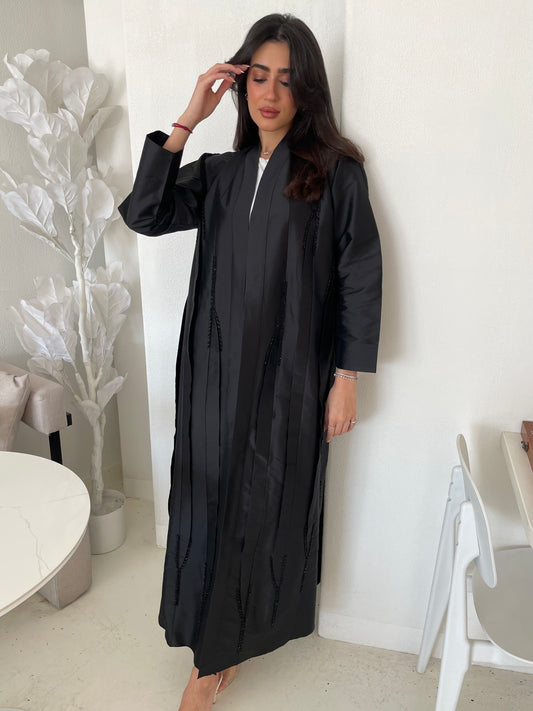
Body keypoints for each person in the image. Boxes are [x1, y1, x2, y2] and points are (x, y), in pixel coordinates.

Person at [119, 13, 382, 711]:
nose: (269, 92)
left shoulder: (335, 175)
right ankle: (214, 648)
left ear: (307, 89)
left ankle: (215, 659)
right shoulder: (221, 173)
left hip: (288, 377)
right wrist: (188, 118)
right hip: (210, 373)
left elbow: (359, 274)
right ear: (240, 86)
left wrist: (345, 378)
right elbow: (144, 213)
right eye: (257, 76)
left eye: (286, 79)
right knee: (206, 503)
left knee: (264, 507)